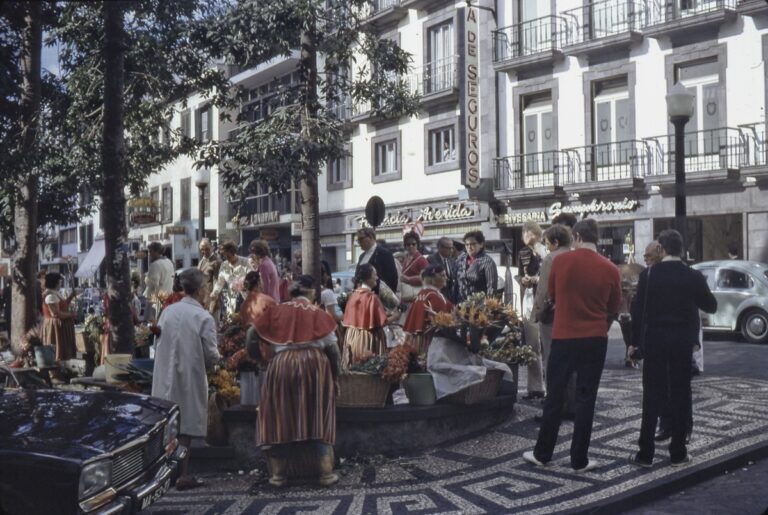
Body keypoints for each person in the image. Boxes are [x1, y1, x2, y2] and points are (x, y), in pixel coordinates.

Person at [523, 218, 621, 473]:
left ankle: (543, 453)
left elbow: (552, 295)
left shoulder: (560, 261)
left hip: (564, 337)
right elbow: (614, 308)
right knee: (586, 398)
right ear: (596, 238)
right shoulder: (611, 268)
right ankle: (580, 460)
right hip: (595, 339)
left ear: (576, 236)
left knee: (554, 396)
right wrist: (600, 325)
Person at [629, 229, 717, 468]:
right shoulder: (693, 275)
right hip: (681, 343)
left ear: (662, 249)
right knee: (680, 393)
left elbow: (638, 313)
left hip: (655, 341)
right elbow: (711, 306)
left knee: (651, 396)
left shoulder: (649, 275)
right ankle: (678, 452)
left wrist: (634, 343)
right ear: (681, 249)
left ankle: (645, 453)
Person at [249, 275, 341, 487]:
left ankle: (279, 476)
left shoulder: (276, 311)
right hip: (315, 365)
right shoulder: (318, 313)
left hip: (281, 365)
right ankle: (326, 474)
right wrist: (335, 377)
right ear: (311, 293)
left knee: (279, 416)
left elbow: (252, 334)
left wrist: (259, 359)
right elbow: (334, 352)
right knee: (319, 415)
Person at [151, 268, 220, 491]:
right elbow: (211, 354)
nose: (209, 291)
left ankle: (166, 472)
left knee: (169, 424)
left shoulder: (168, 311)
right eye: (207, 287)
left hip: (165, 373)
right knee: (186, 428)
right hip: (190, 375)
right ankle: (182, 474)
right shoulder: (203, 317)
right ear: (200, 290)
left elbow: (158, 343)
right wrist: (217, 363)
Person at [531, 224, 573, 417]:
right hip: (572, 317)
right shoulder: (576, 256)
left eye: (547, 243)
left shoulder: (551, 258)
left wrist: (537, 313)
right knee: (570, 363)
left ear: (556, 242)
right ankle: (571, 403)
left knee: (551, 360)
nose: (547, 248)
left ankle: (554, 405)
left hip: (552, 317)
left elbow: (544, 290)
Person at [342, 264, 398, 367]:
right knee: (368, 369)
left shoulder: (353, 295)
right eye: (375, 275)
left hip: (352, 337)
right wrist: (396, 315)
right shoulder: (372, 297)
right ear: (367, 278)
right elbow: (383, 322)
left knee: (354, 369)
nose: (377, 278)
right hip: (368, 339)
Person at [518, 221, 547, 401]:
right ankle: (535, 387)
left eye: (528, 233)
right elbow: (522, 274)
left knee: (546, 346)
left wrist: (535, 280)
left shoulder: (546, 251)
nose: (526, 236)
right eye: (525, 233)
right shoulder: (523, 253)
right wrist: (523, 280)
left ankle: (548, 387)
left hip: (545, 302)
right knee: (532, 347)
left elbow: (548, 275)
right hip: (529, 301)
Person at [402, 264, 453, 355]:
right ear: (433, 280)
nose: (446, 278)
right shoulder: (434, 296)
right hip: (429, 342)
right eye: (442, 275)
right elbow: (442, 320)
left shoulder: (423, 293)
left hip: (416, 340)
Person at [209, 240, 252, 318]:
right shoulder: (224, 265)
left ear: (233, 252)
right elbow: (220, 282)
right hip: (231, 302)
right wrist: (214, 293)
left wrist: (242, 285)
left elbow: (252, 279)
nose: (226, 259)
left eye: (228, 256)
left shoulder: (245, 262)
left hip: (246, 300)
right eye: (224, 256)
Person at [41, 272, 78, 362]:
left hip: (61, 325)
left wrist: (70, 297)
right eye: (59, 282)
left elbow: (63, 306)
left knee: (65, 348)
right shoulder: (50, 296)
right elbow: (56, 314)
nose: (61, 284)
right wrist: (71, 314)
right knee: (58, 347)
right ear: (55, 283)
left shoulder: (55, 293)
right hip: (55, 327)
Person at [455, 230, 498, 303]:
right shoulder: (460, 260)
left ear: (481, 244)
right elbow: (456, 283)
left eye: (472, 244)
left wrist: (488, 305)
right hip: (460, 304)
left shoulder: (487, 261)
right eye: (467, 244)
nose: (469, 247)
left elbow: (491, 288)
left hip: (479, 305)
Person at [355, 227, 399, 293]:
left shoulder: (384, 254)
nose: (359, 242)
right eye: (358, 240)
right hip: (362, 297)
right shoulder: (361, 256)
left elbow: (392, 279)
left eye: (361, 239)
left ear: (371, 237)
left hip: (378, 298)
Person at [399, 231, 429, 304]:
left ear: (417, 244)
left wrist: (409, 280)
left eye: (413, 244)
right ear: (405, 246)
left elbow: (427, 278)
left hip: (417, 298)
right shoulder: (406, 259)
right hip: (406, 297)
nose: (411, 246)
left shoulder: (421, 260)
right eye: (408, 244)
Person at [428, 237, 457, 303]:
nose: (451, 251)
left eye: (452, 248)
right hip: (437, 297)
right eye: (449, 248)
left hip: (450, 299)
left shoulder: (451, 260)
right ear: (440, 247)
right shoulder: (431, 260)